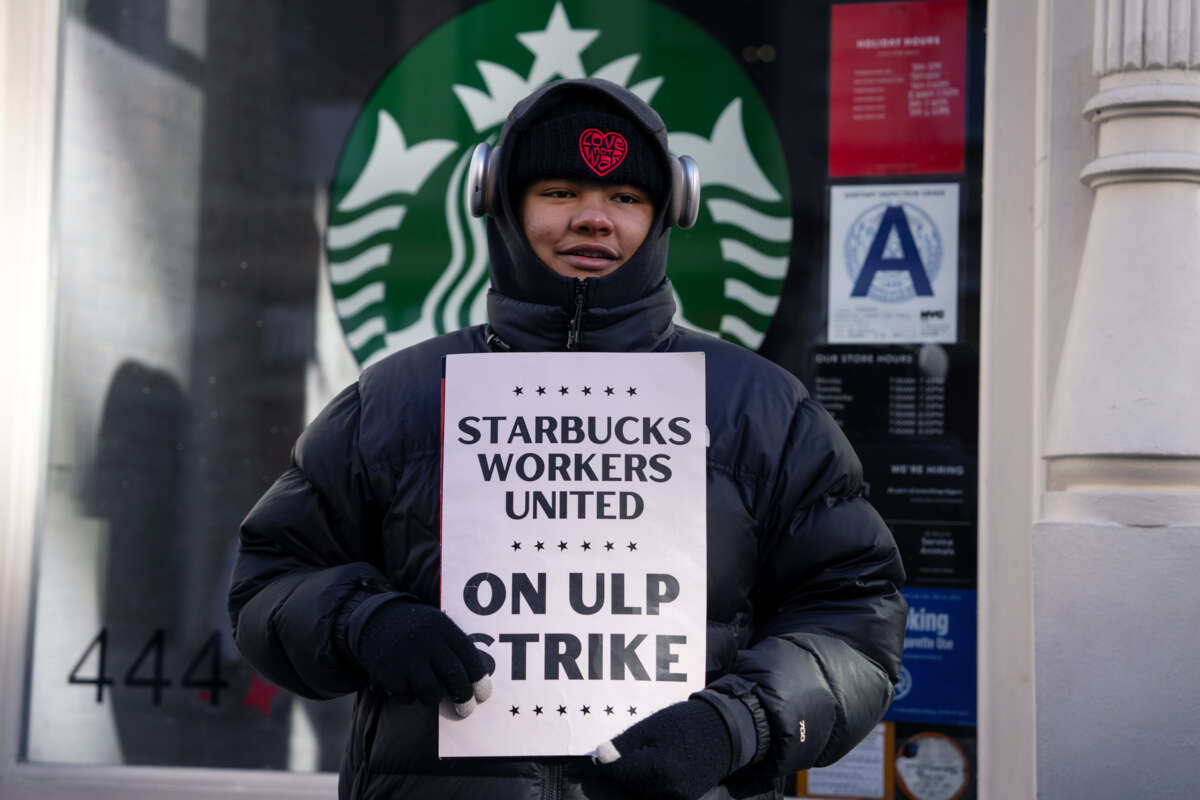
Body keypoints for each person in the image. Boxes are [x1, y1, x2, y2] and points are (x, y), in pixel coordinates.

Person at [229, 77, 906, 800]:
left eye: (626, 198)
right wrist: (364, 621)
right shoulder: (396, 402)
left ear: (668, 212)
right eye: (559, 192)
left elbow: (855, 619)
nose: (594, 218)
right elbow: (269, 584)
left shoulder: (763, 412)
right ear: (503, 203)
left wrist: (738, 723)